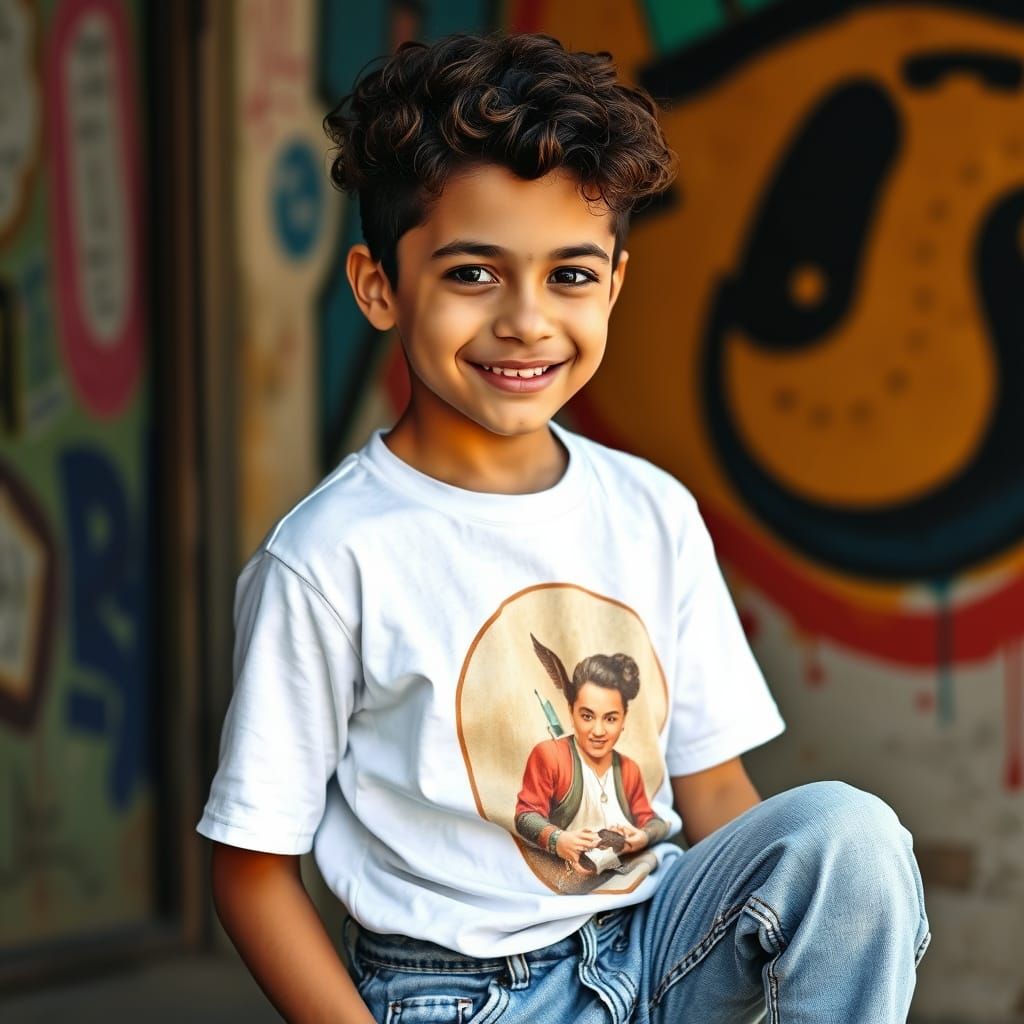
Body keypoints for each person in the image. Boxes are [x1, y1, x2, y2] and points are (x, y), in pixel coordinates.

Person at [197, 31, 930, 1024]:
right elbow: (250, 870)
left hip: (659, 943)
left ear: (615, 284)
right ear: (378, 286)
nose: (526, 320)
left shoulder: (650, 512)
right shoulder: (331, 557)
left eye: (569, 277)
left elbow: (713, 793)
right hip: (460, 994)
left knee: (851, 833)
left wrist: (804, 911)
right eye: (472, 274)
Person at [515, 640, 669, 880]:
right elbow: (525, 816)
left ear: (624, 719)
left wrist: (642, 836)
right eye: (587, 716)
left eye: (610, 719)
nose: (598, 731)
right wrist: (559, 840)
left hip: (630, 880)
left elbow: (653, 820)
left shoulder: (628, 769)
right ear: (571, 711)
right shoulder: (551, 755)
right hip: (565, 884)